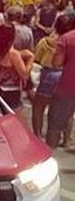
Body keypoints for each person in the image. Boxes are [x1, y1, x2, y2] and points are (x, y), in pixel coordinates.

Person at [46, 14, 75, 147]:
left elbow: (57, 62)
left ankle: (49, 158)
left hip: (68, 86)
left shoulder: (67, 38)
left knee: (55, 125)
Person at [32, 22, 63, 140]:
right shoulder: (68, 42)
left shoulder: (45, 41)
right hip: (63, 73)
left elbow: (37, 58)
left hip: (47, 73)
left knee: (39, 106)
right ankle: (57, 137)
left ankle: (38, 136)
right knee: (59, 108)